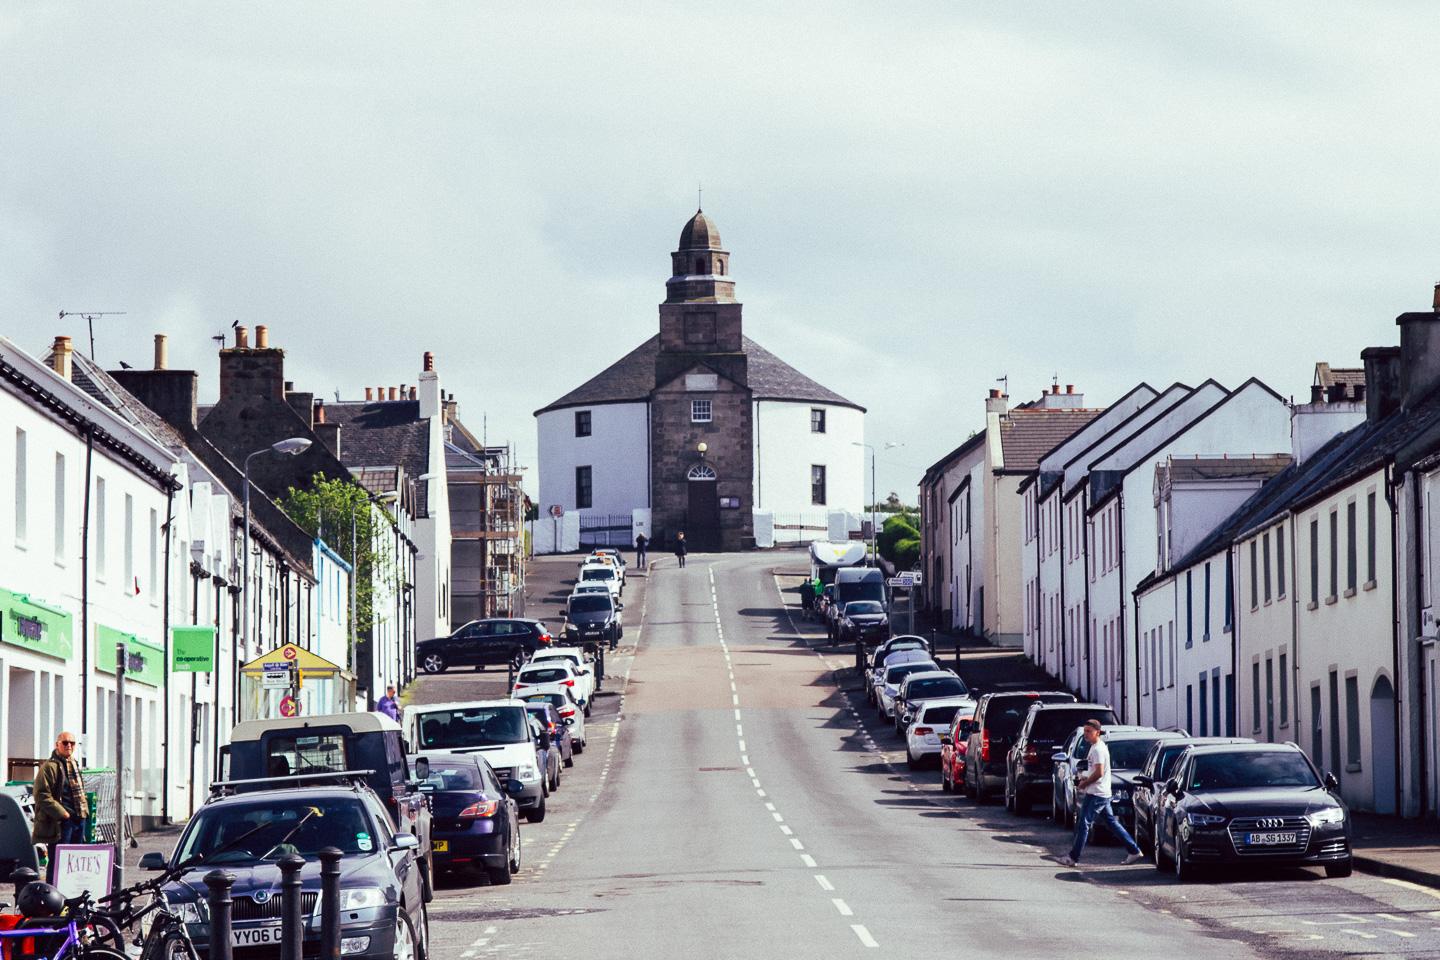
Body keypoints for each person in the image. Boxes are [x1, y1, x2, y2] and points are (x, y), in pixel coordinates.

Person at [1059, 720, 1145, 867]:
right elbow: (1096, 771)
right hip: (1100, 792)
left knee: (1083, 823)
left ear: (1097, 732)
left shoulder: (1098, 749)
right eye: (1085, 731)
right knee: (1112, 823)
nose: (1086, 734)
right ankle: (1134, 850)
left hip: (1097, 793)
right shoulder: (1095, 747)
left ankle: (1073, 857)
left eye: (1089, 731)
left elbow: (1099, 772)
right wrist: (1085, 776)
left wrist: (1084, 783)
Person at [33, 732, 89, 858]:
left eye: (72, 743)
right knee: (59, 860)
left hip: (79, 819)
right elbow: (41, 794)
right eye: (65, 742)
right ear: (57, 745)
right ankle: (53, 879)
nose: (69, 745)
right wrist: (63, 814)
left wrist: (85, 812)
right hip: (61, 821)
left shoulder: (74, 764)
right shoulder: (49, 767)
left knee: (75, 860)